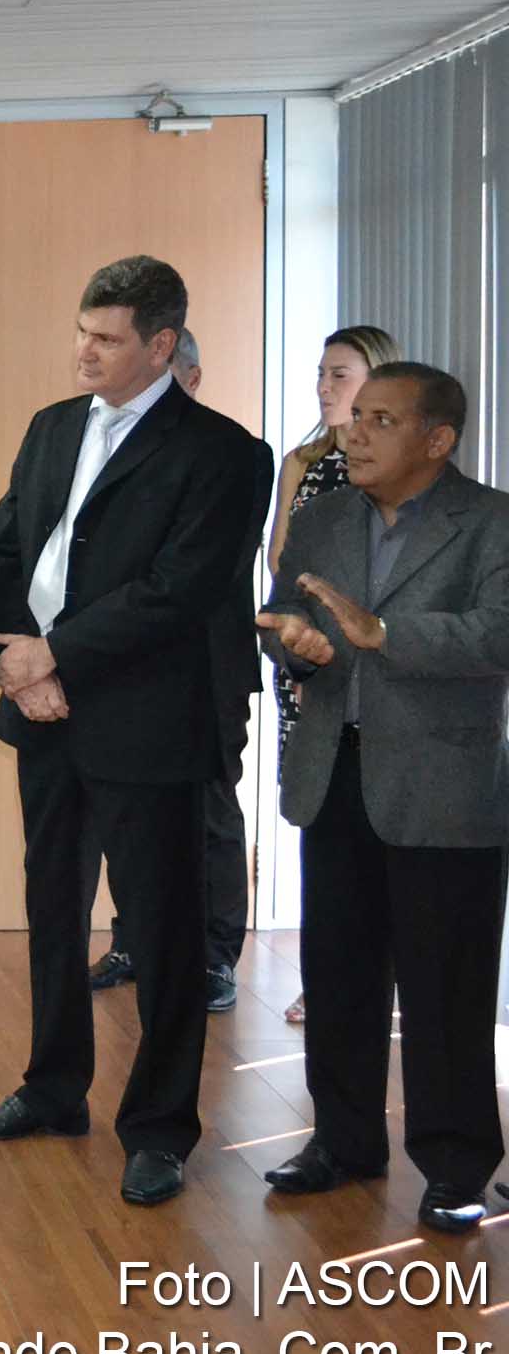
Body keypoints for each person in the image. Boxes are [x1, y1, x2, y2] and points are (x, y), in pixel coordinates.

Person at [0, 255, 265, 1208]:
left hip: (151, 721)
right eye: (81, 330)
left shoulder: (224, 453)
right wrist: (12, 647)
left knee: (162, 930)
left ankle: (160, 1128)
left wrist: (58, 657)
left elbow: (180, 592)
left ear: (160, 345)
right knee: (52, 907)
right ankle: (53, 1090)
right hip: (41, 705)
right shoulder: (53, 428)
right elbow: (2, 547)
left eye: (106, 337)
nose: (83, 350)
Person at [256, 362, 509, 1232]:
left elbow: (498, 633)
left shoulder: (493, 522)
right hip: (338, 773)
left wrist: (383, 632)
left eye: (380, 420)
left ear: (436, 441)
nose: (354, 433)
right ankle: (343, 1140)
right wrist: (294, 644)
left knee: (447, 989)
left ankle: (454, 1165)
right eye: (354, 416)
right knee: (339, 976)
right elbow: (286, 610)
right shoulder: (324, 516)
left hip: (444, 788)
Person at [84, 328, 271, 1015]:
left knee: (209, 813)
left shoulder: (239, 455)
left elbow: (199, 567)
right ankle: (136, 939)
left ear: (185, 375)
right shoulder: (102, 453)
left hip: (206, 670)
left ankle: (216, 956)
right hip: (120, 665)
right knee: (121, 811)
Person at [266, 325, 400, 1025]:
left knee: (389, 824)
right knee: (324, 818)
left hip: (386, 681)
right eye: (321, 373)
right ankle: (327, 977)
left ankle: (389, 977)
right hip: (312, 668)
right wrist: (302, 643)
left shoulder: (405, 473)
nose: (324, 387)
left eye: (339, 375)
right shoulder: (302, 462)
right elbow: (281, 564)